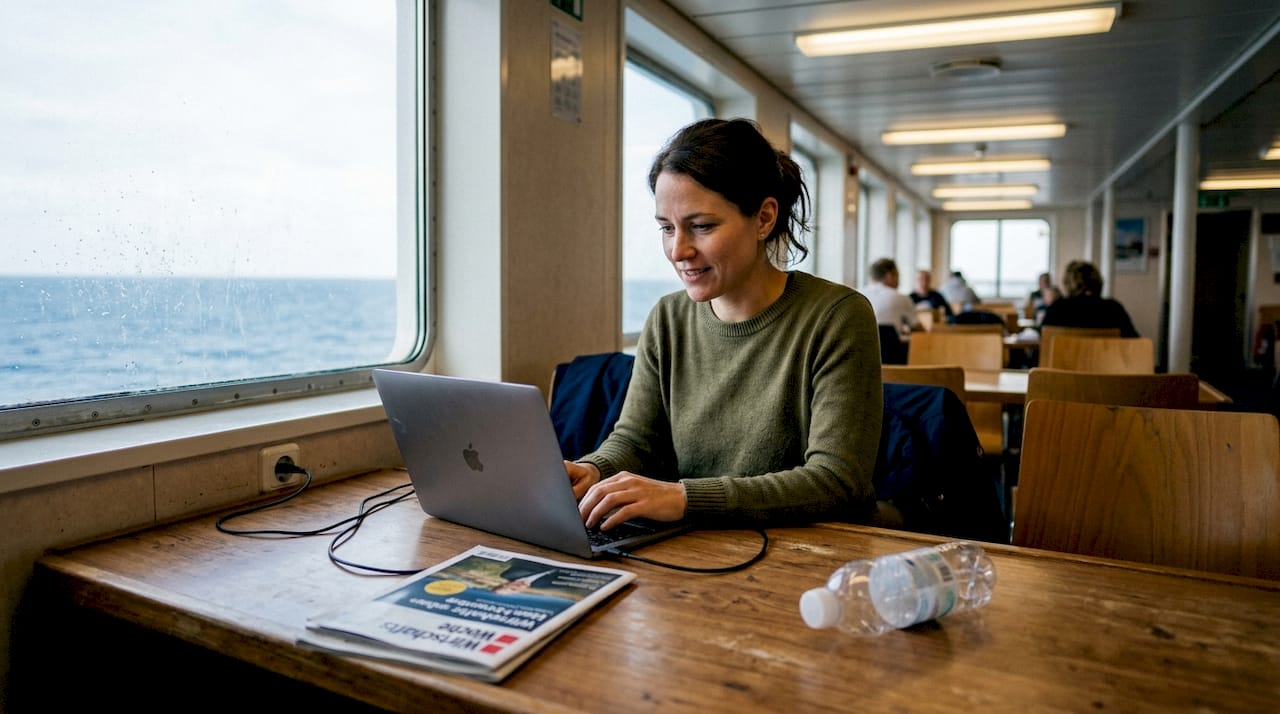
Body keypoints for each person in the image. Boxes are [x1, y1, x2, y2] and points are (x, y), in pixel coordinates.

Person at [563, 118, 887, 531]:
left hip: (814, 555)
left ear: (764, 218)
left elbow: (837, 480)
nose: (678, 250)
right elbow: (635, 441)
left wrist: (684, 498)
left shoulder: (838, 316)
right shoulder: (668, 318)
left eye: (701, 226)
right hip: (702, 543)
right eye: (666, 228)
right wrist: (593, 470)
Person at [1039, 260, 1139, 336]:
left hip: (1063, 363)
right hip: (1107, 363)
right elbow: (1135, 344)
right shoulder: (1114, 308)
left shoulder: (1057, 309)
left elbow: (1042, 345)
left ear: (1068, 283)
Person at [864, 258, 922, 338]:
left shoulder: (857, 295)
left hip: (860, 348)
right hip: (891, 348)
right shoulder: (901, 298)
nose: (899, 280)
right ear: (889, 276)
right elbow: (917, 328)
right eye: (897, 275)